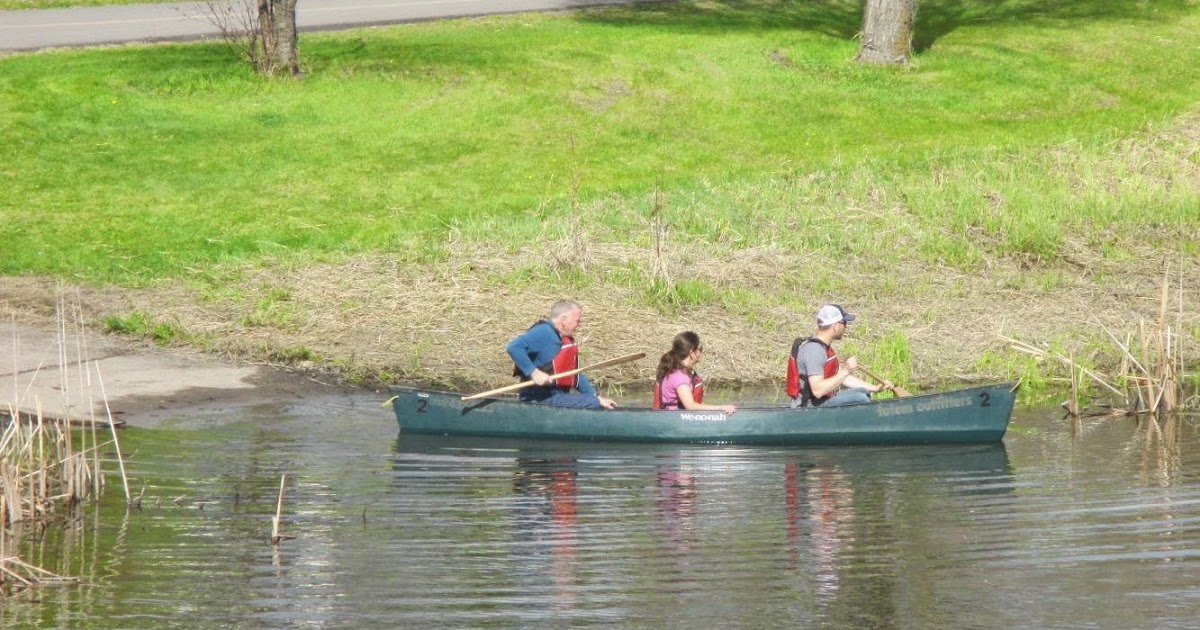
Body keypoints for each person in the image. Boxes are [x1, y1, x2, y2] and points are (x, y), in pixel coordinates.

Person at [507, 299, 617, 409]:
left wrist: (596, 396)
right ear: (563, 320)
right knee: (592, 402)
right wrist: (534, 373)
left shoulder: (563, 338)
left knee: (594, 400)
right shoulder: (544, 332)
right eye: (577, 321)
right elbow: (514, 347)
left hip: (558, 395)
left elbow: (574, 374)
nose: (579, 325)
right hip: (539, 398)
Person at [786, 304, 892, 409]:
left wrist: (875, 388)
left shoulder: (823, 347)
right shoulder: (814, 351)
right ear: (836, 326)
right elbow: (818, 391)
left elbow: (842, 378)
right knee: (860, 398)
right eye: (844, 323)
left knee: (863, 392)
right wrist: (846, 371)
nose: (846, 326)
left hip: (821, 401)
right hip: (809, 407)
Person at [653, 331, 737, 414]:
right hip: (675, 422)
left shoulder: (676, 371)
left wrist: (714, 410)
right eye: (699, 349)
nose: (701, 352)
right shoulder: (680, 377)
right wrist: (721, 408)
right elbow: (690, 406)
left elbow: (694, 404)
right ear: (691, 353)